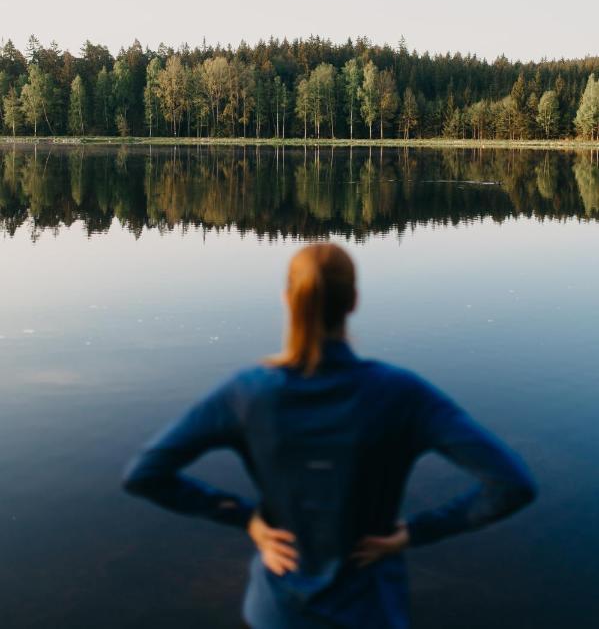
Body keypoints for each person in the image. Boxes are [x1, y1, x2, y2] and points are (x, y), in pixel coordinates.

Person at [122, 242, 537, 628]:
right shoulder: (401, 394)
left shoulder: (249, 393)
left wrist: (244, 518)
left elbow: (146, 473)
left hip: (277, 611)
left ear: (288, 300)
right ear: (354, 301)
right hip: (368, 608)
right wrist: (416, 532)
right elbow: (511, 484)